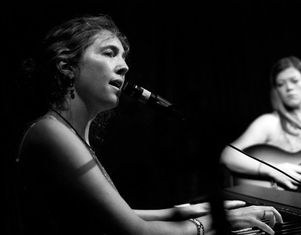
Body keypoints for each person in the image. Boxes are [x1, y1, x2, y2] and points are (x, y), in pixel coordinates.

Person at [15, 14, 283, 235]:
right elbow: (135, 231)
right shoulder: (51, 131)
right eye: (109, 53)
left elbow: (109, 213)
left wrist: (183, 211)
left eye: (123, 57)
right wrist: (213, 223)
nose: (124, 67)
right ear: (66, 67)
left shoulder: (66, 132)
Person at [221, 56, 301, 193]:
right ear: (276, 91)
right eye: (280, 84)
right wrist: (275, 171)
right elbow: (228, 156)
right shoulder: (270, 122)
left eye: (294, 81)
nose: (289, 88)